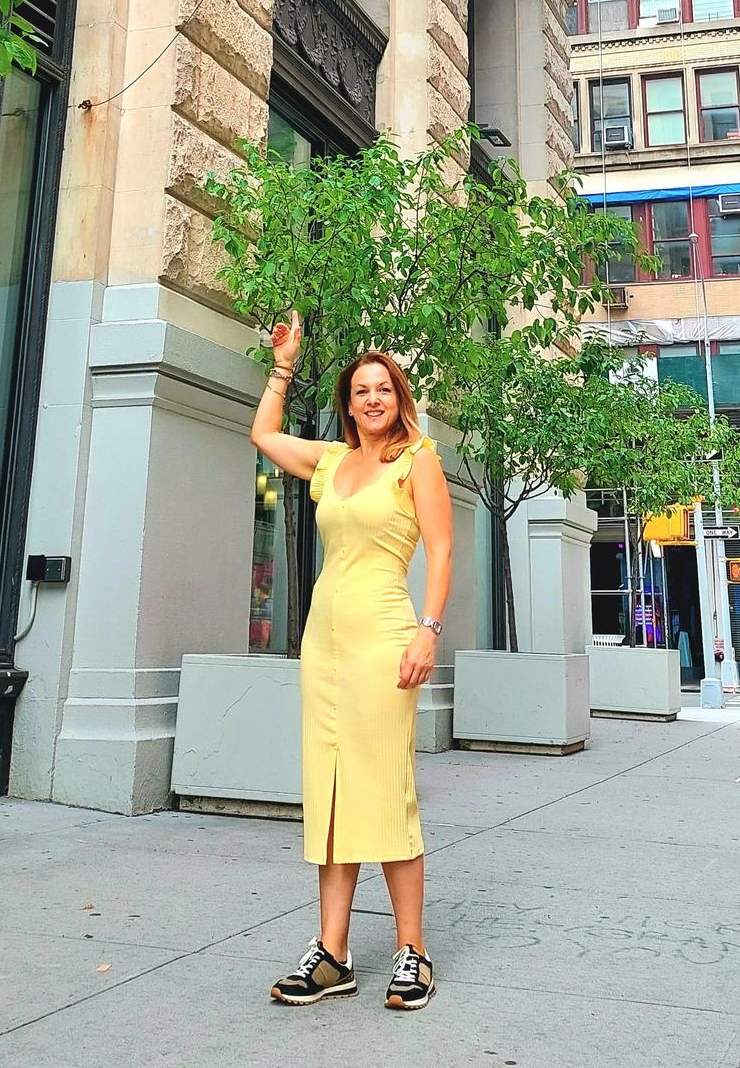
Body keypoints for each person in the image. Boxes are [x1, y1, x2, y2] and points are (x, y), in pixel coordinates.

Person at [252, 310, 453, 1012]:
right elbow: (264, 435)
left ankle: (412, 951)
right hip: (325, 646)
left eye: (384, 389)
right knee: (332, 795)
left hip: (384, 639)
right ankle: (333, 953)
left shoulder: (417, 461)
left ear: (400, 398)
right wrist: (284, 364)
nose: (373, 399)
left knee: (384, 788)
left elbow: (444, 550)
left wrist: (428, 631)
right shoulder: (333, 461)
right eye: (361, 391)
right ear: (349, 403)